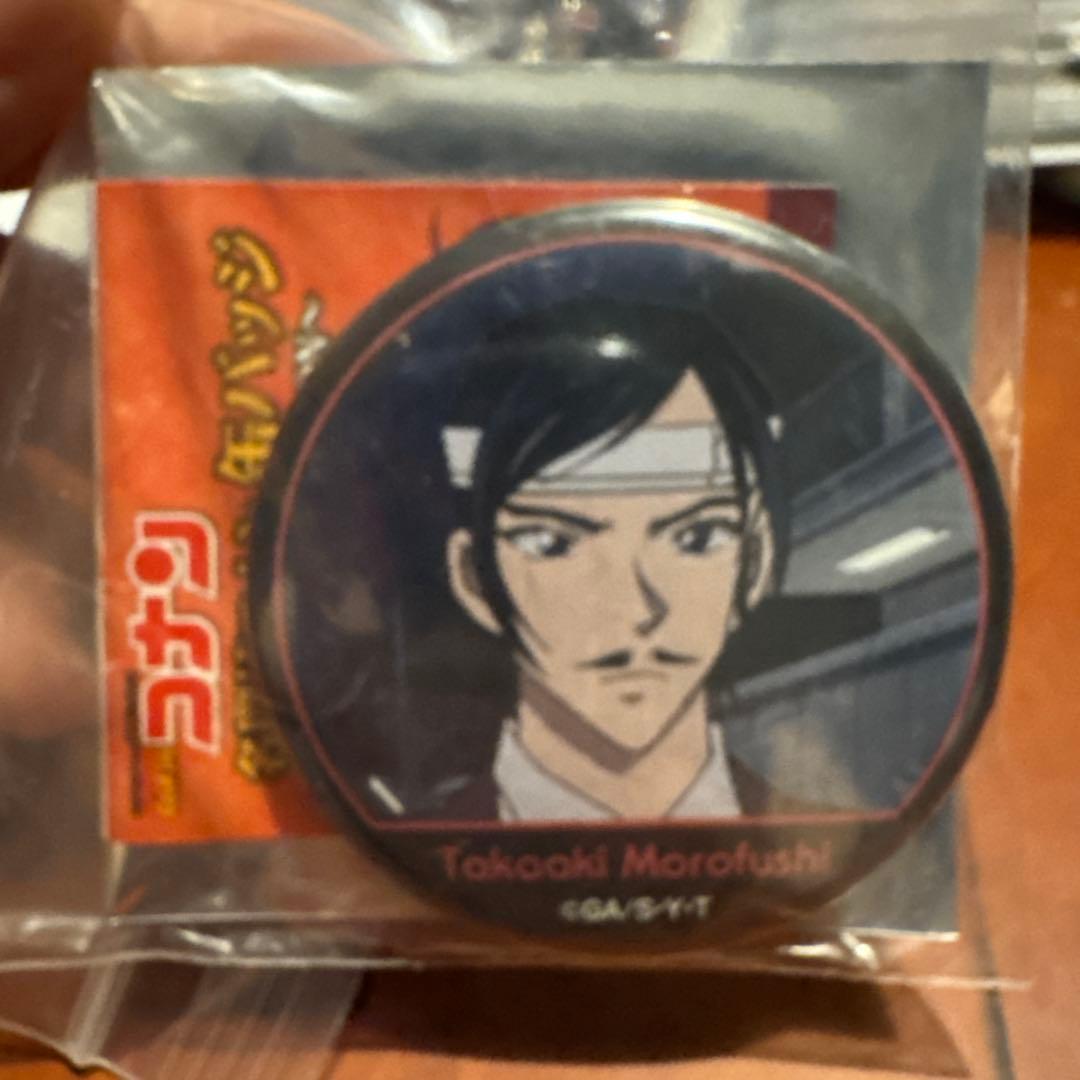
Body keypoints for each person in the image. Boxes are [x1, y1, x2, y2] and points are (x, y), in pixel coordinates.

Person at [372, 296, 802, 822]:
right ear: (474, 577)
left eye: (697, 537)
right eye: (553, 543)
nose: (635, 608)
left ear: (755, 560)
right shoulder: (829, 843)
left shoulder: (836, 843)